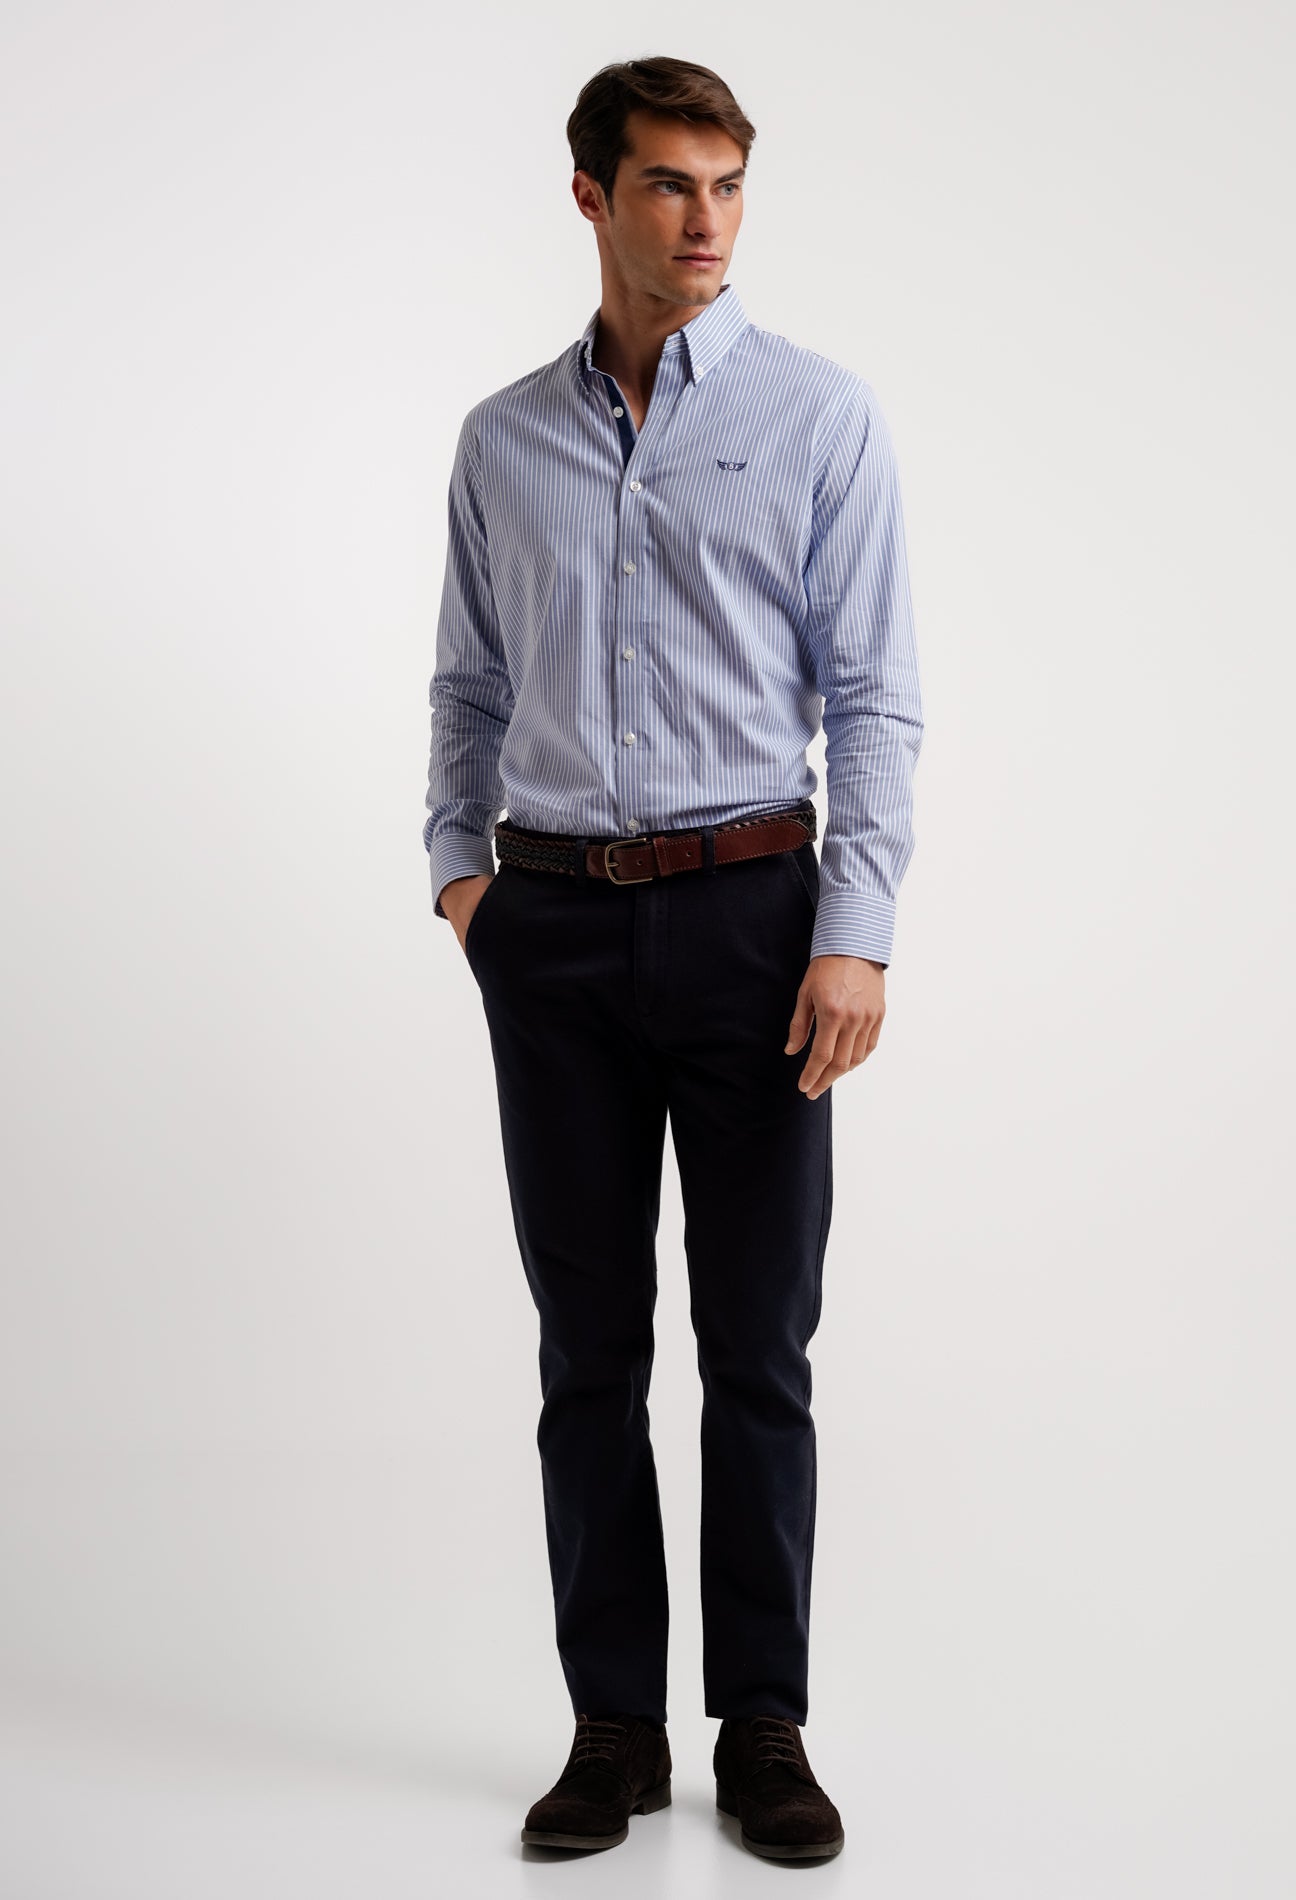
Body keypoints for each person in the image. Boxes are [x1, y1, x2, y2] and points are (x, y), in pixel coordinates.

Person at [423, 55, 924, 1862]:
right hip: (551, 928)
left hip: (752, 924)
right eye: (665, 185)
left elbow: (872, 699)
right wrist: (463, 884)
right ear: (591, 196)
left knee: (757, 1348)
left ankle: (763, 1728)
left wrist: (853, 935)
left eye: (725, 186)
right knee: (585, 1350)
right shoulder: (502, 442)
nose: (704, 220)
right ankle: (614, 1731)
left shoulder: (818, 417)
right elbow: (468, 685)